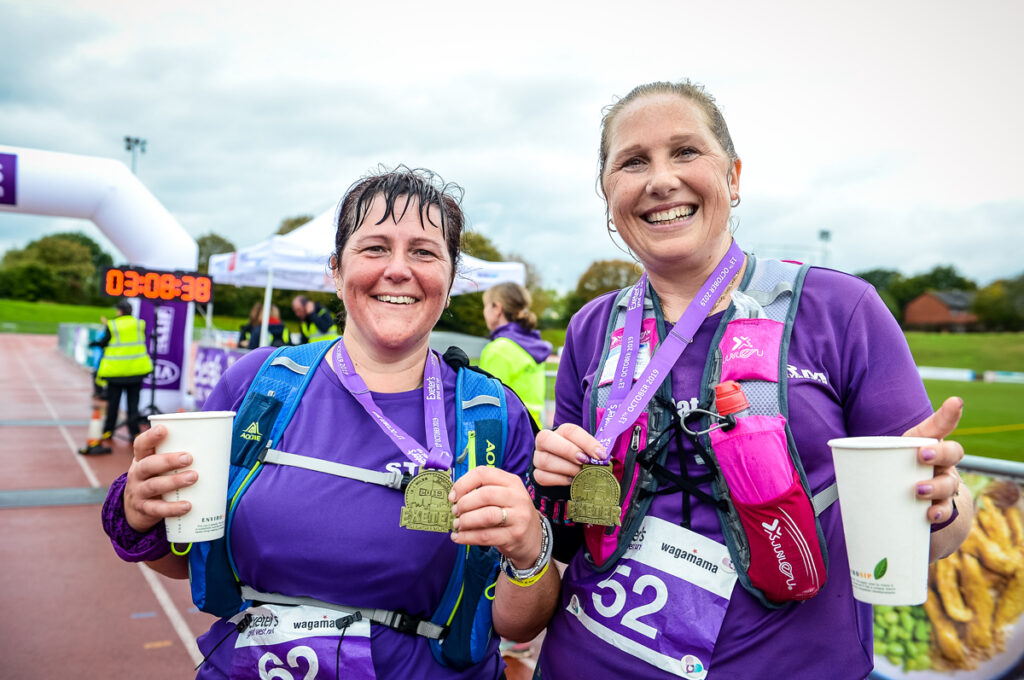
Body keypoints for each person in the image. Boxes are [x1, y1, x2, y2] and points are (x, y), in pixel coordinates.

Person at [528, 80, 973, 680]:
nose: (660, 179)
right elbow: (577, 521)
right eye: (633, 162)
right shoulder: (590, 329)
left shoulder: (841, 309)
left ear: (733, 177)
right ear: (610, 195)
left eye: (685, 152)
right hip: (589, 659)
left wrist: (941, 506)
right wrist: (553, 481)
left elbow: (940, 530)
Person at [101, 167, 559, 679]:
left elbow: (519, 626)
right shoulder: (257, 385)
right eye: (375, 248)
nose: (399, 269)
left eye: (425, 252)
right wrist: (138, 513)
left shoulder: (494, 416)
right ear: (337, 271)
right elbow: (186, 561)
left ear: (450, 283)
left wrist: (529, 552)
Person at [83, 300, 154, 453]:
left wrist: (95, 342)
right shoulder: (139, 324)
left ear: (120, 311)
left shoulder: (113, 325)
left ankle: (109, 430)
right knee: (133, 404)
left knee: (113, 403)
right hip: (136, 371)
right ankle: (134, 432)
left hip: (116, 373)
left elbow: (104, 342)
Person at [480, 282, 552, 428]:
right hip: (534, 429)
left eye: (486, 305)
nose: (484, 311)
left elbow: (487, 405)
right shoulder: (532, 342)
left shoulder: (498, 349)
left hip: (509, 434)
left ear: (497, 308)